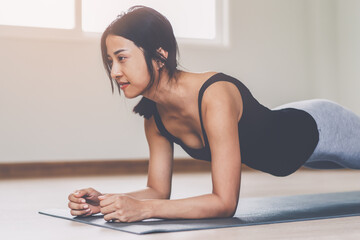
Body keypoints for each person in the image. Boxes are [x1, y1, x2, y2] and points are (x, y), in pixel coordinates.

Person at [67, 6, 360, 223]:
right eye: (110, 61)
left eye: (122, 58)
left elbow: (224, 202)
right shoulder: (154, 119)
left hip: (320, 127)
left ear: (160, 55)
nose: (114, 71)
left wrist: (143, 210)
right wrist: (105, 202)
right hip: (296, 153)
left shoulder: (214, 95)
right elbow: (157, 190)